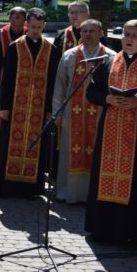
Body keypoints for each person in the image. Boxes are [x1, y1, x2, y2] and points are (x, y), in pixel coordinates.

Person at [84, 20, 137, 244]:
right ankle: (103, 230)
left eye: (134, 35)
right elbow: (91, 92)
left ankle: (131, 234)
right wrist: (108, 98)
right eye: (126, 34)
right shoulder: (109, 62)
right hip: (110, 132)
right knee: (105, 178)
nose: (129, 39)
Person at [0, 8, 61, 199]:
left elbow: (53, 80)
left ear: (44, 26)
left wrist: (49, 109)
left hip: (39, 110)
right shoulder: (16, 46)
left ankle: (31, 190)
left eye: (39, 27)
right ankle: (7, 188)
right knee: (8, 146)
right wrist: (4, 106)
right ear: (26, 25)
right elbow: (6, 79)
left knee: (36, 146)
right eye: (32, 27)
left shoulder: (51, 49)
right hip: (15, 108)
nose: (35, 31)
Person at [52, 19, 114, 203]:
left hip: (101, 113)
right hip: (73, 114)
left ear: (101, 33)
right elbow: (60, 86)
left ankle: (93, 194)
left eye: (92, 31)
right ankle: (67, 192)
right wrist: (58, 113)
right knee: (70, 152)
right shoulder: (70, 56)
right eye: (84, 31)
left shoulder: (110, 57)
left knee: (96, 151)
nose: (87, 34)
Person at [0, 6, 27, 176]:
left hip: (24, 81)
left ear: (25, 20)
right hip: (2, 80)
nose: (17, 20)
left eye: (20, 17)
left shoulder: (28, 34)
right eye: (14, 17)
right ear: (9, 18)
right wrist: (6, 61)